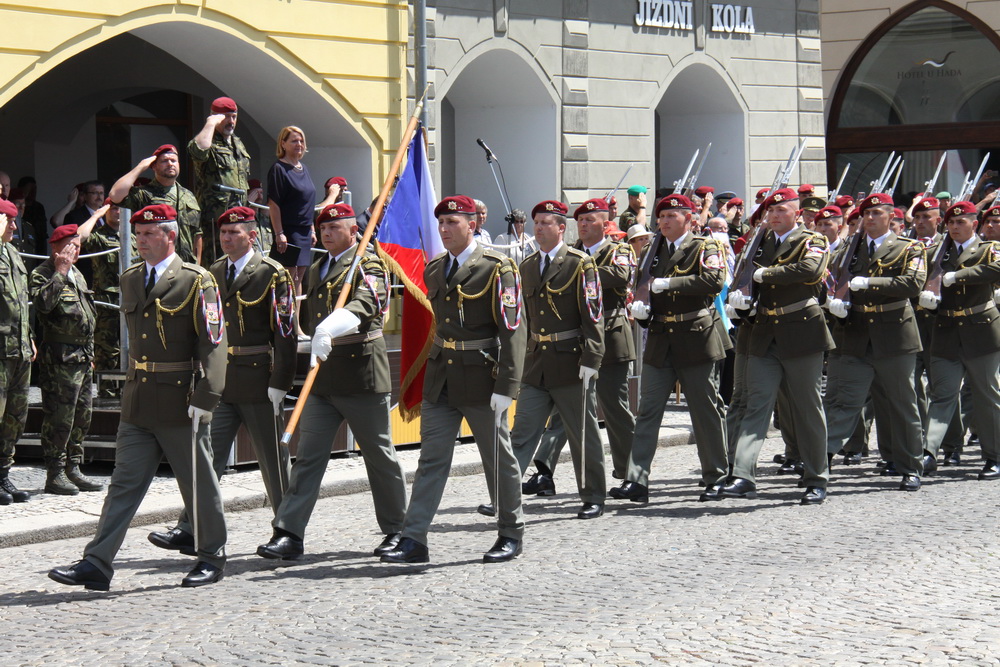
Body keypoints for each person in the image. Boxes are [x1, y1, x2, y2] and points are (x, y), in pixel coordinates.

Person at [48, 204, 229, 590]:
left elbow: (213, 343)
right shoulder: (131, 279)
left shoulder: (197, 281)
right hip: (138, 401)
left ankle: (212, 554)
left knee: (197, 482)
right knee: (123, 484)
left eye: (150, 234)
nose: (141, 241)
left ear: (170, 237)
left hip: (182, 401)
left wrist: (206, 395)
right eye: (139, 234)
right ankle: (97, 562)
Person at [256, 203, 407, 560]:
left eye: (335, 228)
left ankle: (398, 529)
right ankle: (289, 532)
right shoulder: (319, 267)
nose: (326, 233)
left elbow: (369, 303)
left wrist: (333, 325)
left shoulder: (368, 262)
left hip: (360, 373)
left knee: (379, 455)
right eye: (322, 228)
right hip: (323, 375)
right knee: (309, 457)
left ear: (354, 230)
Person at [381, 194, 526, 564]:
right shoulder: (434, 269)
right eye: (441, 223)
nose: (444, 230)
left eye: (452, 223)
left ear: (472, 225)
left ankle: (511, 531)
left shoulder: (498, 267)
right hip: (442, 376)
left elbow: (513, 330)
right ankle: (414, 539)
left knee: (498, 458)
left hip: (482, 377)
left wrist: (507, 387)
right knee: (431, 459)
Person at [148, 206, 296, 557]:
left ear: (252, 235)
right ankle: (190, 527)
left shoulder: (272, 274)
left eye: (235, 233)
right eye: (223, 234)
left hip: (259, 379)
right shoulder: (212, 272)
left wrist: (281, 380)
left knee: (273, 461)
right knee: (202, 458)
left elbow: (286, 332)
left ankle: (287, 529)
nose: (227, 239)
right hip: (220, 383)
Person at [611, 194, 729, 503]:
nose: (664, 221)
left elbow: (715, 279)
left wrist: (670, 284)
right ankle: (637, 480)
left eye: (672, 216)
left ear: (689, 220)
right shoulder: (652, 250)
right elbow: (641, 283)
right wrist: (641, 306)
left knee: (704, 410)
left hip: (695, 335)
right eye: (661, 216)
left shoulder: (706, 246)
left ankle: (716, 475)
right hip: (662, 336)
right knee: (648, 410)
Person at [724, 188, 834, 504]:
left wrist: (764, 274)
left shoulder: (813, 240)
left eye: (782, 210)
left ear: (797, 214)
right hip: (763, 332)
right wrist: (739, 300)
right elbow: (741, 280)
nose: (774, 215)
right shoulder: (758, 243)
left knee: (807, 407)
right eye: (770, 211)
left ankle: (817, 477)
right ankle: (744, 474)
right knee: (757, 403)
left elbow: (809, 270)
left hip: (801, 331)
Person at [522, 198, 635, 494]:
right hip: (571, 346)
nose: (583, 225)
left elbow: (621, 275)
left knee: (613, 407)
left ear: (604, 223)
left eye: (590, 220)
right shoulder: (571, 256)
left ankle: (629, 470)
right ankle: (544, 469)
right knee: (564, 412)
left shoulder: (615, 250)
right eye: (580, 221)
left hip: (609, 337)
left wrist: (581, 271)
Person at [507, 199, 606, 519]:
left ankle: (593, 496)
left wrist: (592, 358)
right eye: (536, 222)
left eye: (546, 223)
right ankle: (504, 497)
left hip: (571, 362)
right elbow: (522, 320)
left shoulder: (580, 263)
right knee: (522, 433)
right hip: (537, 364)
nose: (538, 228)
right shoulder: (526, 266)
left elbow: (594, 315)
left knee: (582, 434)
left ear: (562, 228)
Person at [824, 193, 927, 491]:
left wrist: (871, 283)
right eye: (865, 214)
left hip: (894, 334)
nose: (869, 219)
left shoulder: (909, 247)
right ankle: (821, 461)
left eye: (877, 213)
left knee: (902, 404)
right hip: (855, 332)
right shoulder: (847, 249)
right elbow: (830, 277)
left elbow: (913, 283)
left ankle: (910, 466)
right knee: (844, 402)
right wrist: (834, 299)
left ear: (891, 218)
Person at [918, 200, 1000, 481]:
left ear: (974, 224)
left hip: (981, 331)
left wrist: (956, 276)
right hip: (947, 330)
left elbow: (997, 270)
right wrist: (925, 295)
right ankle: (928, 453)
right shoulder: (935, 253)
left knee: (987, 396)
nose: (954, 227)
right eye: (951, 223)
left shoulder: (990, 249)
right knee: (942, 394)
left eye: (960, 222)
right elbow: (918, 277)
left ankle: (994, 456)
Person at [29, 224, 103, 495]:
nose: (74, 251)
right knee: (60, 417)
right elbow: (43, 306)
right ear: (55, 246)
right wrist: (59, 273)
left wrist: (92, 352)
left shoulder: (78, 275)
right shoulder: (44, 273)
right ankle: (55, 472)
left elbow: (88, 315)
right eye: (69, 246)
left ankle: (73, 467)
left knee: (83, 415)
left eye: (78, 246)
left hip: (82, 357)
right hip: (60, 359)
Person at [110, 145, 202, 263]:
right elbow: (115, 195)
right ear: (153, 166)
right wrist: (140, 167)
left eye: (173, 161)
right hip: (155, 264)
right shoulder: (144, 193)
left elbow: (197, 234)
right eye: (164, 161)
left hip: (185, 266)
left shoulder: (188, 196)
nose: (170, 164)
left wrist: (198, 264)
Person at [188, 96, 251, 267]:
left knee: (240, 263)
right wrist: (210, 124)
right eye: (226, 117)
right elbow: (198, 152)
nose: (231, 121)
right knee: (216, 266)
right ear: (215, 117)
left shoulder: (237, 143)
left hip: (239, 217)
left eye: (234, 116)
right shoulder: (208, 141)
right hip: (214, 221)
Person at [79, 200, 133, 399]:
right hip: (107, 305)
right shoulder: (99, 238)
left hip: (130, 303)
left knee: (131, 352)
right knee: (107, 354)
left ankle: (128, 396)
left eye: (122, 208)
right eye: (114, 208)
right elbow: (79, 237)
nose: (118, 212)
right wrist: (95, 216)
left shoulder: (134, 239)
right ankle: (107, 397)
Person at [267, 126, 317, 337]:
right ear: (283, 144)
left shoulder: (303, 168)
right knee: (287, 279)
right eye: (294, 141)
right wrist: (279, 233)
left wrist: (313, 228)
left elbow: (307, 201)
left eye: (301, 141)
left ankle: (295, 324)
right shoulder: (279, 169)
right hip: (288, 230)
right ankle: (285, 324)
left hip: (305, 230)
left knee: (299, 280)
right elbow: (274, 203)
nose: (299, 145)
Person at [0, 198, 33, 504]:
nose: (13, 225)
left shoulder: (12, 252)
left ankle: (3, 474)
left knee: (15, 416)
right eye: (8, 220)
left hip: (19, 350)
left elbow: (21, 302)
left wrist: (30, 337)